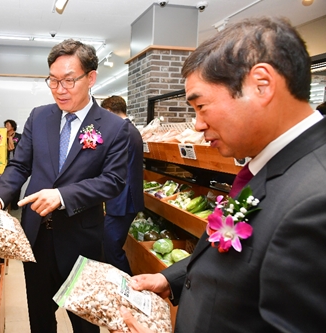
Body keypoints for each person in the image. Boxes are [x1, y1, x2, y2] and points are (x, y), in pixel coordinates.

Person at [114, 17, 326, 333]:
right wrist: (169, 278)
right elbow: (238, 260)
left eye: (201, 106)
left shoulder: (314, 200)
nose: (197, 125)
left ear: (262, 84)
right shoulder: (269, 166)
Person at [0, 39, 129, 333]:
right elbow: (20, 165)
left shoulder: (114, 128)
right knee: (39, 318)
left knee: (85, 323)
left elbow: (113, 181)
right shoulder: (39, 116)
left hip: (81, 241)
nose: (60, 89)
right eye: (53, 80)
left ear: (91, 78)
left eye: (69, 81)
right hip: (35, 238)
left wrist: (62, 195)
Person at [100, 95, 144, 275]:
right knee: (109, 245)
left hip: (123, 200)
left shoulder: (124, 131)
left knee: (111, 247)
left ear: (110, 111)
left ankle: (129, 288)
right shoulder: (129, 129)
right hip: (121, 199)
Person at [4, 119, 22, 209]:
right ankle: (6, 204)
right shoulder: (2, 136)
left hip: (17, 162)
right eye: (5, 125)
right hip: (5, 162)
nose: (6, 126)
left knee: (17, 184)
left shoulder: (19, 136)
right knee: (6, 183)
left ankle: (15, 205)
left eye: (8, 124)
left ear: (13, 126)